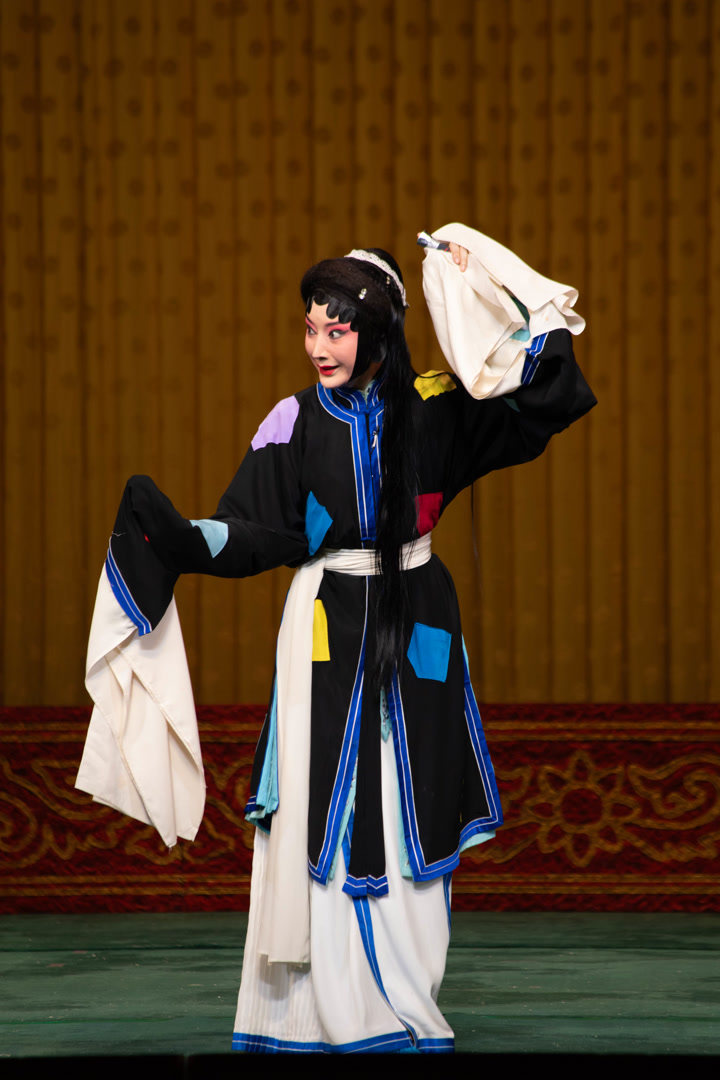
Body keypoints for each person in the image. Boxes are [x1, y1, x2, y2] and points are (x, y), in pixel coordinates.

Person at [77, 225, 596, 1054]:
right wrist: (182, 539)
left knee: (413, 804)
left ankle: (407, 1005)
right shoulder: (293, 422)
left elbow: (544, 397)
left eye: (338, 329)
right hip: (325, 632)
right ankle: (315, 1013)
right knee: (328, 804)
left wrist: (487, 290)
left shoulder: (436, 406)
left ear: (378, 329)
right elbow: (254, 532)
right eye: (311, 328)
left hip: (419, 624)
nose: (320, 346)